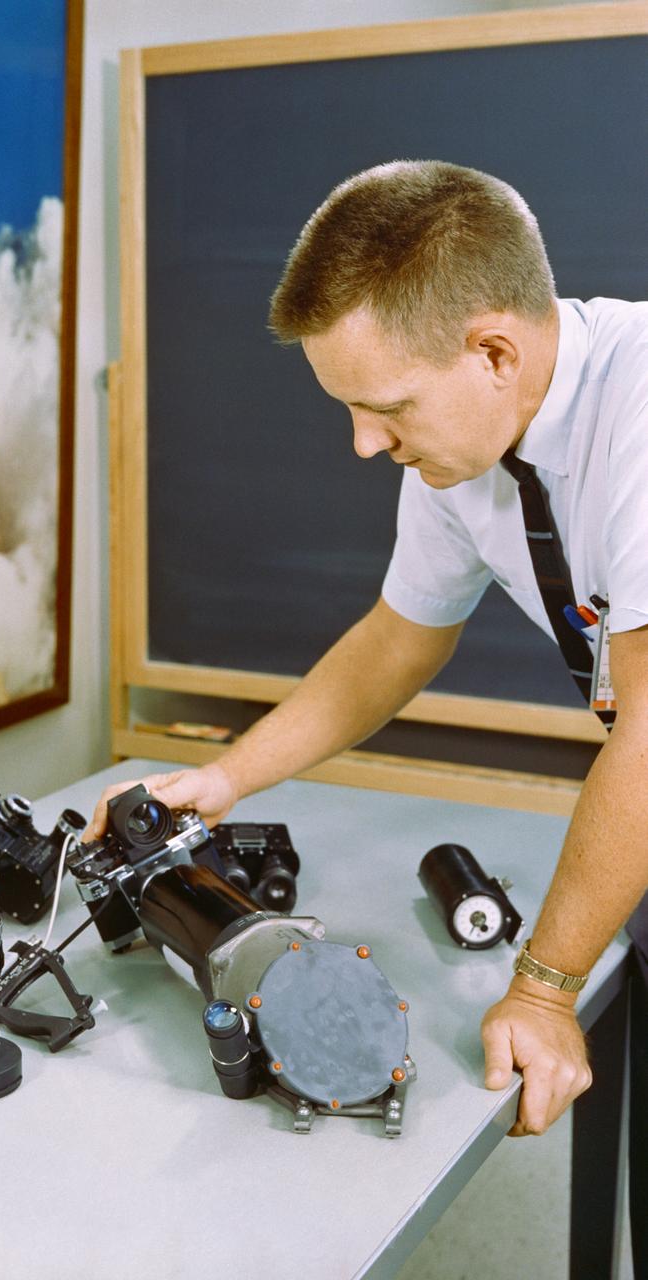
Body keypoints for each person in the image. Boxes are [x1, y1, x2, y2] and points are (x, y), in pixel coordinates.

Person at [85, 159, 647, 1250]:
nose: (362, 443)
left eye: (381, 408)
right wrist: (220, 777)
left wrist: (539, 988)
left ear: (492, 350)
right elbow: (396, 640)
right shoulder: (460, 445)